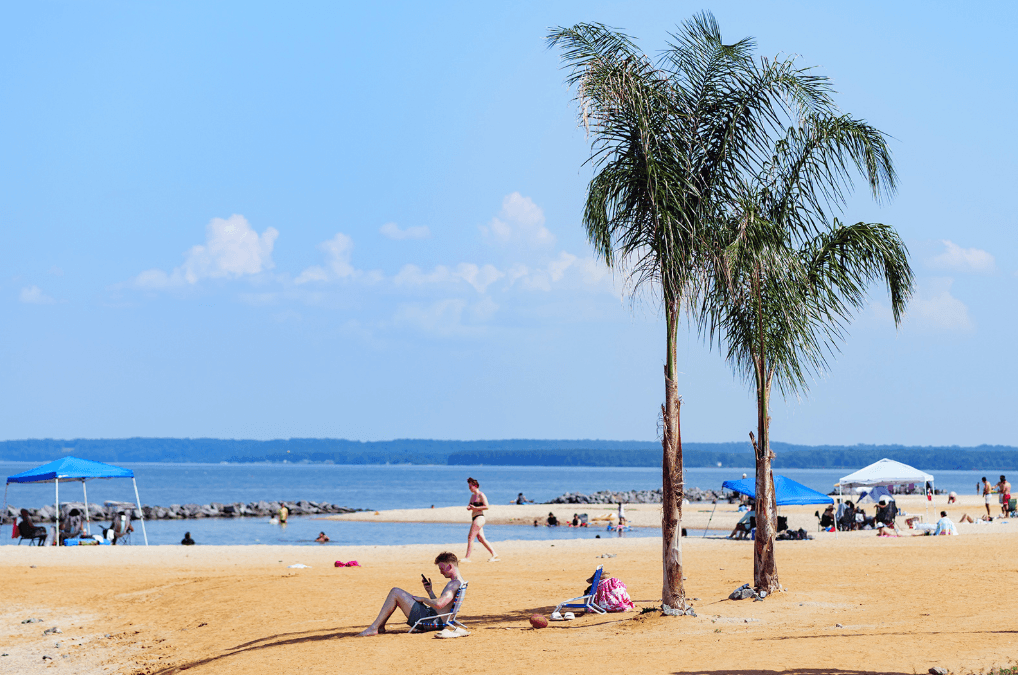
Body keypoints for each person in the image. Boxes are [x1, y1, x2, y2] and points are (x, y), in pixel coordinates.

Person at [357, 551, 466, 637]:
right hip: (434, 615)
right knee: (396, 592)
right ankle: (379, 627)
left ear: (450, 566)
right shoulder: (458, 582)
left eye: (442, 568)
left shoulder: (454, 584)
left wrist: (423, 599)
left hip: (430, 619)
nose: (441, 572)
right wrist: (430, 592)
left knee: (395, 592)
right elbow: (442, 607)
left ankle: (374, 628)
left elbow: (439, 604)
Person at [464, 478, 498, 562]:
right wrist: (469, 507)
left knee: (470, 537)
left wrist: (476, 508)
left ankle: (467, 558)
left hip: (480, 518)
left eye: (470, 486)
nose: (469, 488)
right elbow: (469, 505)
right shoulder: (472, 496)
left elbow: (487, 506)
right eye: (469, 487)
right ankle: (494, 554)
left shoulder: (481, 495)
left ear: (475, 486)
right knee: (481, 538)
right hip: (474, 517)